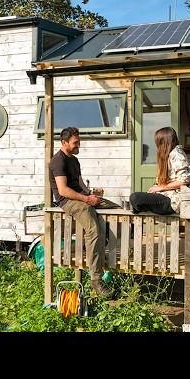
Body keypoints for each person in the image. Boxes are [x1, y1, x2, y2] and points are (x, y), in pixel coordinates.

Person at [49, 127, 113, 299]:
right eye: (75, 142)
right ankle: (96, 279)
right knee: (93, 229)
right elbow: (63, 190)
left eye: (79, 141)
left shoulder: (74, 160)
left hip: (81, 197)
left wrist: (90, 194)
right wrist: (86, 200)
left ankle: (100, 255)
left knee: (114, 208)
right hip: (68, 201)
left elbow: (79, 183)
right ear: (64, 143)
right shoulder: (57, 161)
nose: (79, 145)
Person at [130, 127, 190, 215]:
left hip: (172, 201)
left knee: (135, 197)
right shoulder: (169, 155)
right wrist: (155, 188)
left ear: (164, 142)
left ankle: (142, 208)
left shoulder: (177, 154)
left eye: (158, 143)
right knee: (138, 198)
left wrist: (161, 187)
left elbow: (184, 181)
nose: (156, 146)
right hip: (165, 195)